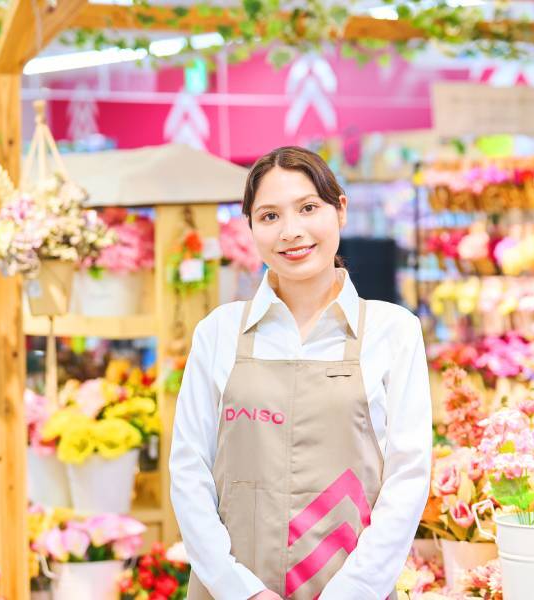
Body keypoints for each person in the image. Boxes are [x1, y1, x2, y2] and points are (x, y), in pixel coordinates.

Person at [170, 146, 433, 600]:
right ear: (250, 226)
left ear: (341, 210)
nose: (291, 232)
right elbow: (188, 471)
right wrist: (240, 590)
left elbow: (408, 478)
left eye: (308, 208)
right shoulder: (218, 333)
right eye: (269, 216)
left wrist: (351, 592)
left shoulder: (394, 332)